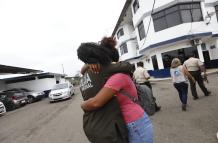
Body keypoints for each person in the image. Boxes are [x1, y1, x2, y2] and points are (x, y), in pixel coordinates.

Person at [78, 40, 154, 143]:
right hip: (123, 123)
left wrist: (83, 105)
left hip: (134, 121)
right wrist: (89, 64)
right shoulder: (105, 74)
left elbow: (96, 102)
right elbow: (127, 66)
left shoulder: (117, 77)